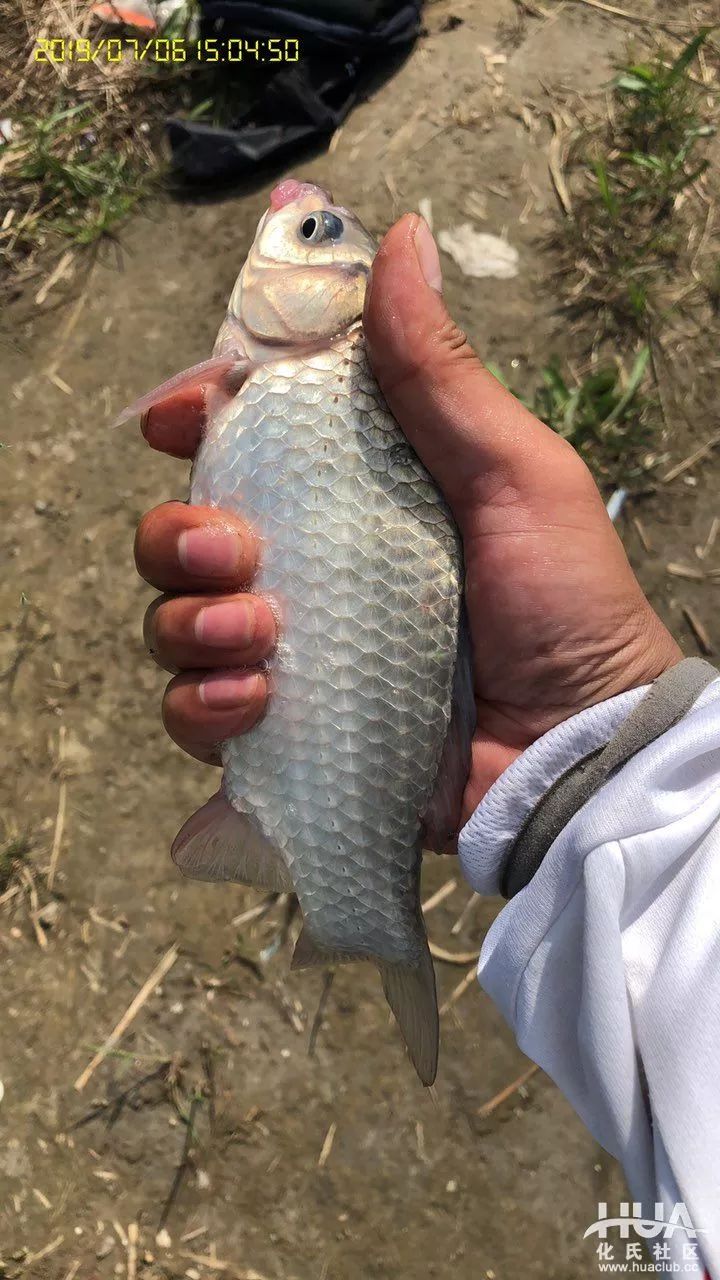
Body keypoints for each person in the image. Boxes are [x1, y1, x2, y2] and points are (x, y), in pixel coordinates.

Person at [134, 214, 720, 1273]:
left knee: (231, 629)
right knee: (223, 622)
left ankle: (361, 906)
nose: (292, 230)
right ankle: (354, 889)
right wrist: (593, 754)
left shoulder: (295, 373)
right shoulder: (283, 376)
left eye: (314, 234)